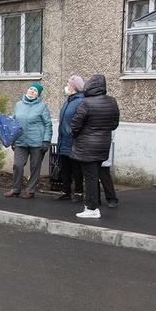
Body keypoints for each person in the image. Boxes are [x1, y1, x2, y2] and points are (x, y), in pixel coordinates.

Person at [70, 74, 120, 219]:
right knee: (97, 174)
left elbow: (76, 124)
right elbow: (114, 124)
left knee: (90, 177)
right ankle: (93, 203)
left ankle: (92, 207)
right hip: (103, 144)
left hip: (87, 145)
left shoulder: (86, 103)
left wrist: (76, 136)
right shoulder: (112, 101)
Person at [4, 83, 52, 199]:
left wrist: (46, 140)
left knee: (35, 167)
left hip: (37, 141)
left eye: (35, 90)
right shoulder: (18, 105)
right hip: (21, 140)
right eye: (30, 89)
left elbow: (48, 124)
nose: (32, 91)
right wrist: (13, 139)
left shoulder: (42, 106)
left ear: (38, 94)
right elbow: (14, 123)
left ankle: (30, 190)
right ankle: (16, 189)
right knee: (17, 165)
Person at [54, 75, 85, 202]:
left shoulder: (81, 101)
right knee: (64, 167)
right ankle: (65, 190)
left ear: (74, 87)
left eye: (68, 84)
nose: (66, 87)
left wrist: (72, 134)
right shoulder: (68, 101)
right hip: (64, 140)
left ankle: (78, 192)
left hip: (74, 140)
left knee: (76, 168)